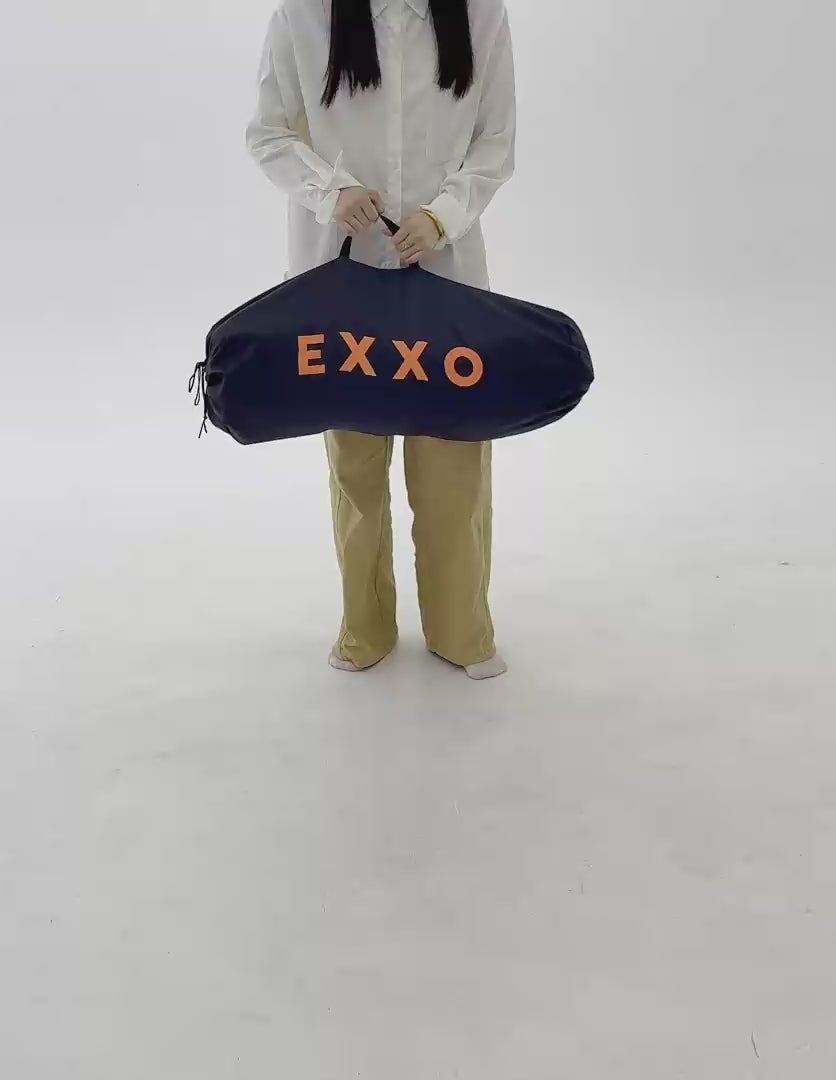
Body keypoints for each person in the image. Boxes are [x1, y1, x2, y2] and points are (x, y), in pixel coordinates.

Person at [246, 0, 517, 680]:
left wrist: (443, 215)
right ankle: (363, 627)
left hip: (447, 279)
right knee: (355, 470)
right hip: (340, 282)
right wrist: (330, 191)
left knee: (455, 465)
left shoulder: (480, 15)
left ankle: (461, 630)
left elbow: (495, 141)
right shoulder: (304, 15)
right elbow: (270, 134)